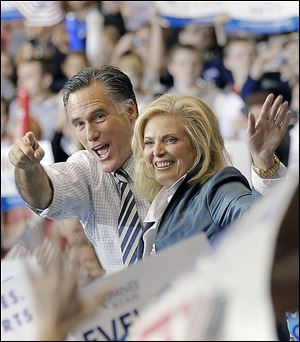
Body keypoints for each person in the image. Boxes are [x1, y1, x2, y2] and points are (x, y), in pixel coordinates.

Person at [8, 65, 287, 275]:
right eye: (78, 124)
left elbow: (261, 221)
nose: (90, 133)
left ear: (130, 111)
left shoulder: (203, 181)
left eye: (99, 117)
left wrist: (264, 164)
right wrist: (27, 167)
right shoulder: (86, 169)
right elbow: (42, 196)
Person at [132, 93, 290, 255]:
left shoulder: (217, 187)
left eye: (170, 139)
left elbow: (255, 221)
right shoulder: (161, 198)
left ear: (198, 145)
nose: (157, 151)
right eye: (149, 142)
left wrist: (263, 161)